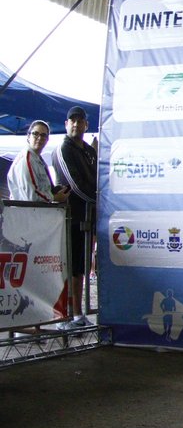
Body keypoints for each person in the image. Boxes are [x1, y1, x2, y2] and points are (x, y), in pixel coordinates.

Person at [52, 105, 98, 328]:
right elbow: (74, 185)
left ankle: (78, 314)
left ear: (86, 125)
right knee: (68, 267)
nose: (76, 124)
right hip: (70, 217)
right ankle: (64, 316)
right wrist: (97, 199)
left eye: (80, 121)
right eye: (73, 121)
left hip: (87, 218)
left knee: (81, 267)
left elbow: (98, 178)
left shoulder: (89, 151)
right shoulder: (63, 148)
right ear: (66, 124)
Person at [6, 120, 68, 204]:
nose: (39, 138)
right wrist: (55, 197)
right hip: (26, 211)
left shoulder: (38, 160)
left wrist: (54, 191)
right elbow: (31, 195)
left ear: (47, 139)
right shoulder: (27, 159)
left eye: (43, 135)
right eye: (35, 134)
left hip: (37, 210)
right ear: (28, 136)